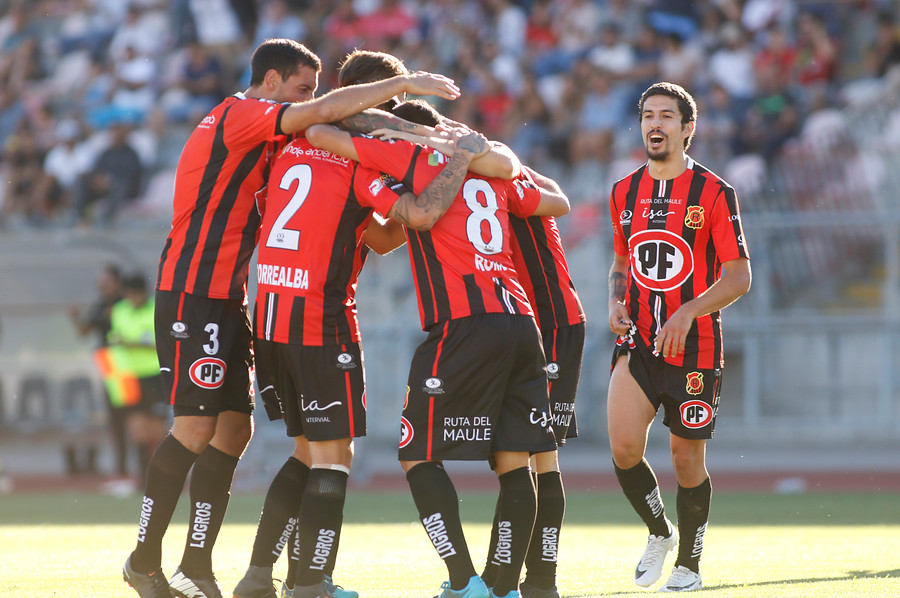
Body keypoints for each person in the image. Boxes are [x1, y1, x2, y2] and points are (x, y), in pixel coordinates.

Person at [122, 37, 461, 598]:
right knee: (199, 428)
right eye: (304, 88)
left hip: (238, 299)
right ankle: (145, 558)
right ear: (273, 81)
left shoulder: (290, 141)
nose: (312, 98)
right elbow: (334, 124)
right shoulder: (239, 116)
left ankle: (198, 563)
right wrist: (409, 97)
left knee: (235, 430)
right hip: (193, 290)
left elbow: (334, 139)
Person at [304, 98, 569, 598]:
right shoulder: (490, 170)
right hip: (519, 322)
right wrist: (479, 156)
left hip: (464, 326)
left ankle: (464, 581)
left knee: (415, 453)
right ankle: (504, 588)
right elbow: (556, 201)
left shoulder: (411, 158)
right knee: (516, 461)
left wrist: (390, 139)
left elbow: (323, 135)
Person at [233, 118, 491, 598]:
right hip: (320, 319)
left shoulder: (291, 147)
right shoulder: (355, 161)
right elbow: (419, 216)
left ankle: (257, 576)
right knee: (335, 456)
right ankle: (310, 582)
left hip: (269, 313)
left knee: (307, 450)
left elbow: (379, 237)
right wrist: (458, 160)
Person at [606, 82, 751, 593]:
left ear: (688, 129)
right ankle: (659, 532)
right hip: (640, 342)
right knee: (624, 446)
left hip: (697, 348)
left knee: (686, 459)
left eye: (667, 116)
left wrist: (689, 310)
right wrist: (615, 301)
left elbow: (739, 277)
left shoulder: (713, 192)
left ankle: (689, 561)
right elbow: (623, 259)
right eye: (648, 115)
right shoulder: (623, 191)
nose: (655, 124)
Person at [481, 164, 585, 598]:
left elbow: (560, 200)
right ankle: (530, 579)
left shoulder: (504, 186)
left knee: (533, 456)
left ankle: (529, 578)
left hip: (552, 325)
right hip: (535, 325)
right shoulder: (519, 179)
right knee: (532, 457)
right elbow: (558, 194)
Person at [105, 273, 169, 481]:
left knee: (158, 429)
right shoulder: (119, 310)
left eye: (135, 294)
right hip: (128, 376)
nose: (132, 298)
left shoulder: (156, 310)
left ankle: (165, 473)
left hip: (155, 375)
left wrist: (133, 344)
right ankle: (143, 477)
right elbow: (114, 338)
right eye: (129, 294)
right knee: (137, 428)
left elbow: (162, 343)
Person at [69, 263, 125, 476]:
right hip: (110, 367)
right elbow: (84, 331)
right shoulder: (100, 306)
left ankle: (137, 465)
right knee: (115, 418)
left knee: (135, 419)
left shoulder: (125, 305)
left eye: (106, 281)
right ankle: (121, 466)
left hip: (129, 367)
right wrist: (75, 317)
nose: (102, 286)